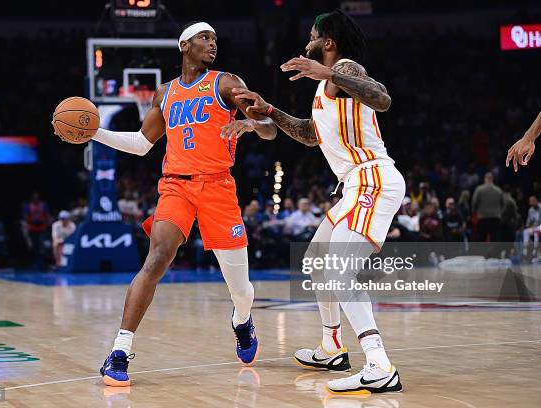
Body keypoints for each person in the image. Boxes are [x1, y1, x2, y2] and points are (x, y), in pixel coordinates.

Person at [67, 21, 277, 386]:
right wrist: (95, 132)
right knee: (156, 258)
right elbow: (141, 142)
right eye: (204, 38)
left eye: (214, 38)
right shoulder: (165, 93)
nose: (212, 44)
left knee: (240, 288)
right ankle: (119, 351)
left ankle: (242, 321)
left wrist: (252, 124)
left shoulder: (226, 83)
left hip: (217, 188)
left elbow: (270, 130)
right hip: (176, 187)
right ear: (184, 45)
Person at [233, 10, 404, 393]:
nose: (306, 41)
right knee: (315, 261)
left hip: (372, 177)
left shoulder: (345, 68)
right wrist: (271, 112)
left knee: (341, 271)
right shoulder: (324, 86)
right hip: (352, 186)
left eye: (312, 36)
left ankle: (379, 364)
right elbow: (312, 136)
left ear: (327, 42)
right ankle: (332, 346)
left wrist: (328, 72)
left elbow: (383, 99)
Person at [472, 172, 504, 242]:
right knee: (494, 239)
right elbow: (502, 204)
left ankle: (481, 253)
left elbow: (474, 202)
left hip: (482, 217)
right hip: (495, 218)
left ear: (485, 179)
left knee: (481, 238)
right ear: (492, 179)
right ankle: (493, 253)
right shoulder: (498, 190)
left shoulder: (479, 189)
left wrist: (474, 212)